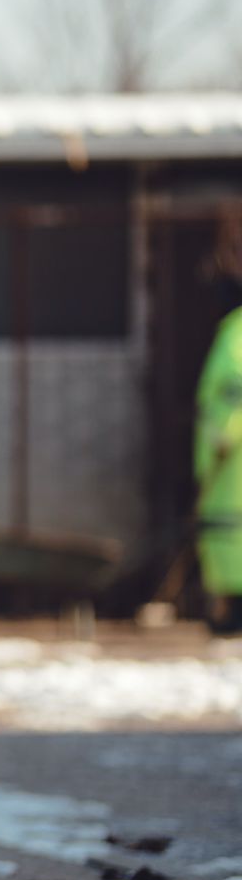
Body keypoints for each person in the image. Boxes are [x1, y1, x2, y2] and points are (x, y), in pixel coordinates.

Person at [194, 239, 242, 634]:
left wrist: (220, 440)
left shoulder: (235, 335)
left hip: (233, 470)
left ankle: (230, 618)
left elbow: (232, 395)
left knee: (229, 537)